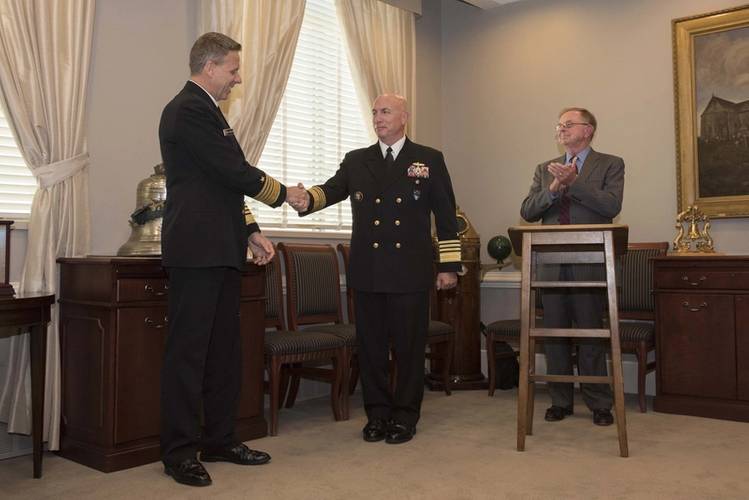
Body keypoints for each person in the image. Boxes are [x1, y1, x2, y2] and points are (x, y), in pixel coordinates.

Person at [158, 32, 307, 487]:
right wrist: (285, 195)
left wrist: (251, 231)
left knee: (223, 352)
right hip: (195, 251)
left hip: (221, 248)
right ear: (210, 67)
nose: (237, 79)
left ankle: (220, 438)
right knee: (189, 354)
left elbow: (223, 186)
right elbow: (235, 172)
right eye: (233, 70)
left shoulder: (211, 113)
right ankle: (179, 451)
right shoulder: (187, 110)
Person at [288, 94, 461, 444]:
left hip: (409, 271)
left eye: (385, 112)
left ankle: (405, 416)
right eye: (374, 113)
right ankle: (377, 414)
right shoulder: (357, 160)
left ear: (404, 117)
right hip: (368, 270)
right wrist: (306, 199)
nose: (378, 118)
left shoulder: (428, 159)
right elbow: (331, 190)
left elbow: (446, 217)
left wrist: (449, 266)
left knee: (409, 349)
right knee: (371, 349)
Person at [519, 107, 624, 427]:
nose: (561, 130)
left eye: (568, 124)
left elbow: (610, 205)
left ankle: (599, 403)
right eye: (559, 126)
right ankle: (560, 400)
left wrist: (575, 182)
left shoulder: (610, 164)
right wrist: (552, 188)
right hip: (550, 264)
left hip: (590, 262)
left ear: (588, 130)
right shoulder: (544, 168)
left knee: (591, 334)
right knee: (554, 335)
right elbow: (526, 211)